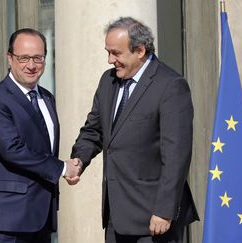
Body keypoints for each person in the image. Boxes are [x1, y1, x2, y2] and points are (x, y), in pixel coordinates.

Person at [70, 17, 199, 243]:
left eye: (116, 53)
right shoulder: (108, 81)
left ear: (139, 50)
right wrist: (79, 160)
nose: (110, 60)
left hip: (154, 219)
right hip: (116, 218)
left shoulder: (170, 86)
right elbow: (94, 130)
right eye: (107, 52)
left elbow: (176, 156)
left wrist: (164, 210)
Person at [0, 28, 82, 243]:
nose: (31, 65)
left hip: (41, 216)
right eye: (24, 58)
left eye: (38, 58)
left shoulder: (47, 98)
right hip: (7, 219)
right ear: (9, 58)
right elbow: (12, 150)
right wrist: (62, 168)